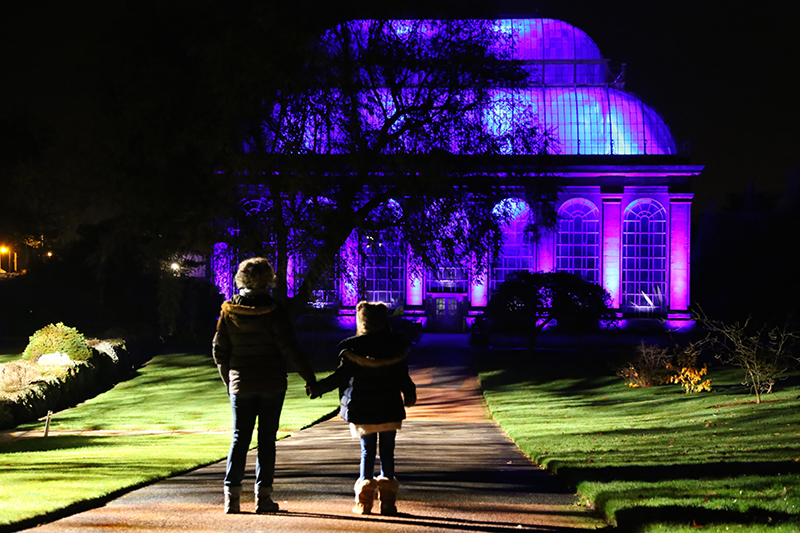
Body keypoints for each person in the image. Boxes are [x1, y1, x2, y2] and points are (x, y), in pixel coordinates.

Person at [212, 257, 317, 514]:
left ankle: (232, 498)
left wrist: (229, 381)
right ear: (268, 278)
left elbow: (219, 351)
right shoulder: (274, 310)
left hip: (241, 382)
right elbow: (289, 349)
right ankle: (263, 498)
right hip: (271, 381)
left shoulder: (228, 312)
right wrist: (309, 378)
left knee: (239, 438)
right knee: (267, 439)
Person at [309, 301, 416, 515]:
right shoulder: (396, 346)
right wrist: (410, 395)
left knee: (367, 452)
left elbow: (339, 377)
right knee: (387, 453)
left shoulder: (353, 349)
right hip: (389, 407)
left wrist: (317, 388)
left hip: (363, 407)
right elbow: (403, 377)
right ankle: (387, 502)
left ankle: (364, 501)